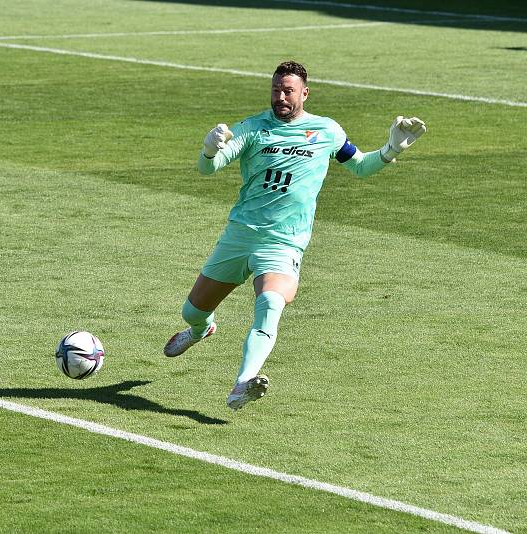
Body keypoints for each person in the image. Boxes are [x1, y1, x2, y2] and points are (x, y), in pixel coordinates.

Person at [163, 61, 426, 411]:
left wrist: (391, 151)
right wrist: (209, 148)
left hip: (283, 242)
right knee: (192, 311)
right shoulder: (253, 128)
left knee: (270, 303)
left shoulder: (327, 131)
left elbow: (360, 166)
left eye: (288, 91)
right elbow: (207, 168)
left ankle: (243, 382)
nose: (281, 97)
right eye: (276, 90)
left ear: (304, 93)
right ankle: (200, 331)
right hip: (240, 236)